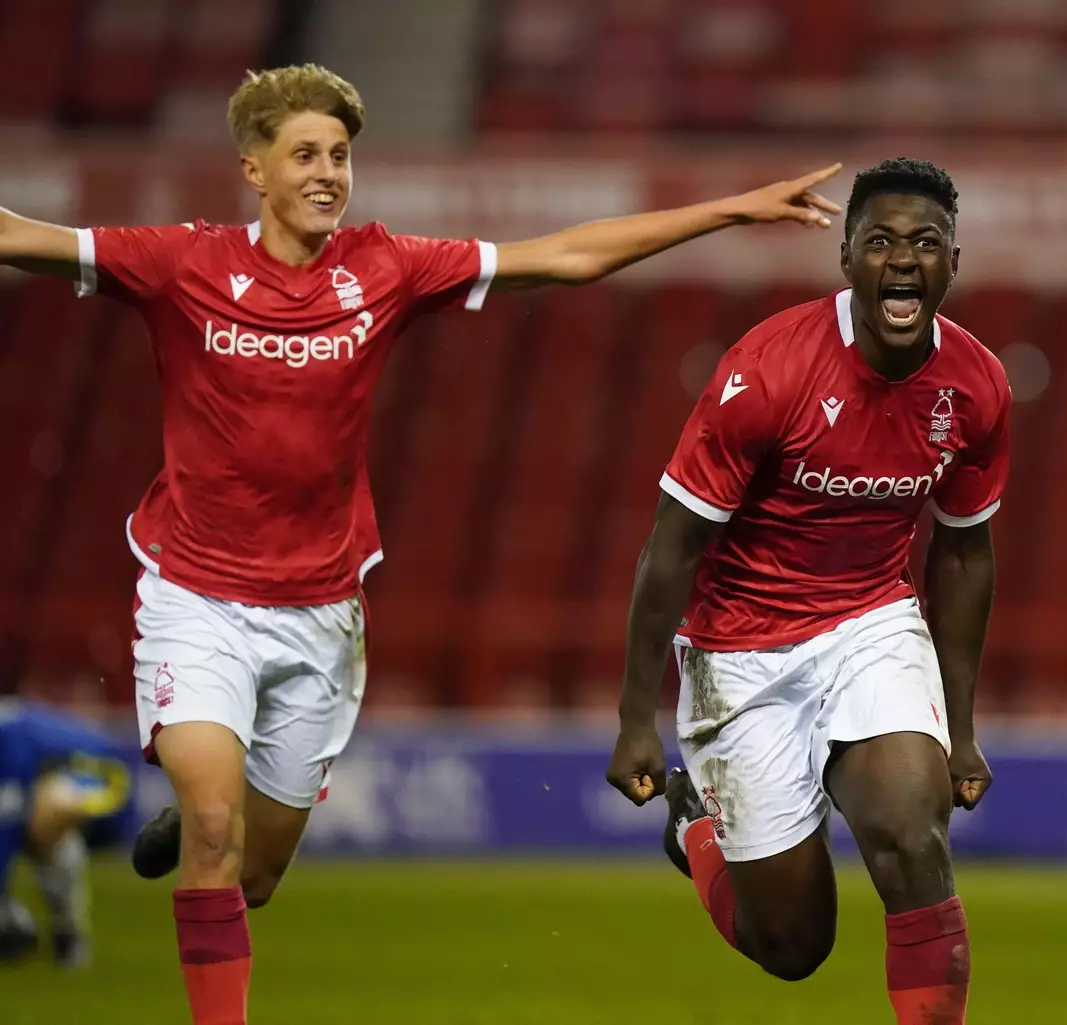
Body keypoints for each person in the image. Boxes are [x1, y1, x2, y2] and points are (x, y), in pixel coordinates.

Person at [0, 63, 841, 1025]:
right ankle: (202, 832)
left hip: (321, 615)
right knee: (220, 825)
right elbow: (19, 233)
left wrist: (735, 207)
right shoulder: (179, 263)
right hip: (197, 597)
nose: (328, 173)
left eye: (341, 155)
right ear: (252, 171)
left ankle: (195, 810)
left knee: (255, 875)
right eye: (304, 155)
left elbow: (564, 255)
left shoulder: (384, 267)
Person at [606, 157, 1010, 1025]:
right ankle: (693, 830)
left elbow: (966, 554)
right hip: (739, 648)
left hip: (871, 623)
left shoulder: (976, 385)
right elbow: (671, 548)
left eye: (926, 244)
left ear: (953, 263)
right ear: (847, 257)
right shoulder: (768, 372)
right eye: (882, 242)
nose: (904, 261)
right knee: (793, 946)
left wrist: (963, 729)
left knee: (914, 835)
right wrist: (637, 716)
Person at [0, 699, 136, 968]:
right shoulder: (11, 726)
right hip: (82, 776)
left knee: (46, 814)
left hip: (107, 780)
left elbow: (9, 818)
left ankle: (66, 929)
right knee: (38, 813)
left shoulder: (10, 742)